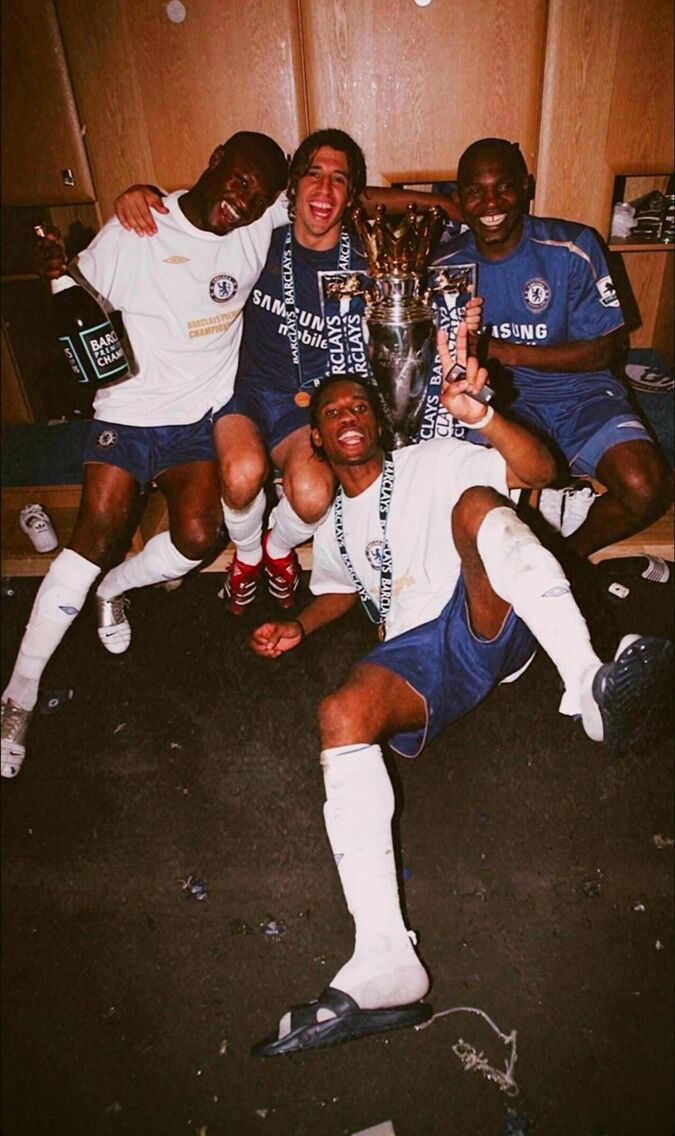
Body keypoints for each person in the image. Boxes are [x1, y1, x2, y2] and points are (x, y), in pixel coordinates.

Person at [247, 326, 673, 1056]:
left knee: (477, 501)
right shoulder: (336, 525)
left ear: (379, 422)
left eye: (360, 406)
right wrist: (298, 625)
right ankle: (385, 960)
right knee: (340, 712)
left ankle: (589, 684)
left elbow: (538, 469)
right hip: (422, 653)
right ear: (315, 438)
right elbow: (339, 592)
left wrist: (483, 416)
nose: (348, 417)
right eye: (333, 412)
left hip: (482, 605)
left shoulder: (434, 459)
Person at [0, 131, 289, 779]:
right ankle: (18, 696)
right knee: (95, 536)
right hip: (128, 412)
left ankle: (116, 590)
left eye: (260, 194)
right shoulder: (137, 227)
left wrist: (439, 209)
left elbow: (329, 189)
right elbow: (71, 295)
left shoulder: (261, 219)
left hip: (196, 421)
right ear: (214, 161)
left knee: (199, 535)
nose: (245, 202)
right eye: (240, 181)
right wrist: (55, 271)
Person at [114, 130, 467, 615]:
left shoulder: (367, 261)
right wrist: (142, 194)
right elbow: (192, 220)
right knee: (241, 476)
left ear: (352, 194)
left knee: (313, 494)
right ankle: (247, 555)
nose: (324, 190)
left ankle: (278, 549)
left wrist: (449, 228)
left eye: (339, 180)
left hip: (311, 401)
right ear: (293, 187)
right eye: (313, 176)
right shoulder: (254, 239)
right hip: (245, 390)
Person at [430, 137, 673, 557]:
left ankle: (566, 557)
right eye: (475, 191)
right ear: (459, 200)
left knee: (646, 485)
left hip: (581, 393)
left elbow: (607, 351)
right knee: (469, 499)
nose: (491, 203)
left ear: (525, 187)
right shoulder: (442, 267)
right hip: (499, 401)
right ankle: (537, 529)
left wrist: (507, 351)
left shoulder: (573, 246)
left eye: (503, 186)